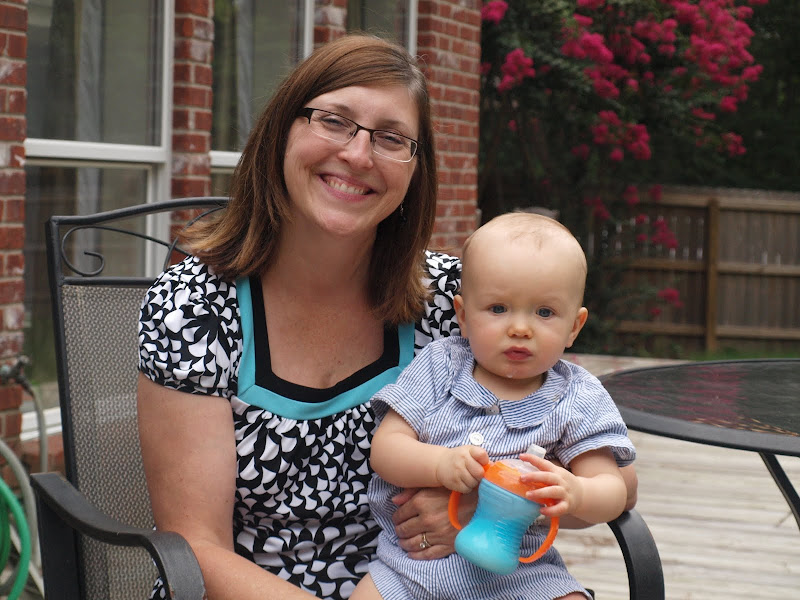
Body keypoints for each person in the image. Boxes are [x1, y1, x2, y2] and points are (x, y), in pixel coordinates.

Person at [137, 33, 637, 600]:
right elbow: (196, 545)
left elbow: (617, 480)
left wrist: (482, 502)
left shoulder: (453, 300)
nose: (358, 155)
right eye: (334, 121)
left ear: (415, 170)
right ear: (281, 131)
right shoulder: (196, 308)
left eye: (391, 138)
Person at [353, 212, 636, 600]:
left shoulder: (577, 397)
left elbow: (614, 488)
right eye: (498, 309)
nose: (520, 328)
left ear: (574, 326)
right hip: (413, 568)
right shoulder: (440, 365)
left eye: (544, 312)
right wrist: (439, 464)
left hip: (523, 573)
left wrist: (577, 492)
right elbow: (386, 449)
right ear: (463, 316)